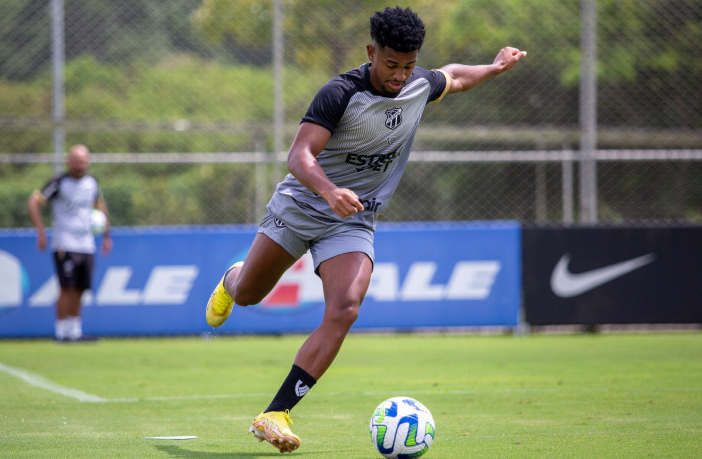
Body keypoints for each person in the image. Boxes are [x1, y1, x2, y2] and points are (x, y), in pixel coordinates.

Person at [205, 6, 526, 453]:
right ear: (371, 51)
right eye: (391, 64)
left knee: (346, 308)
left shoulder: (418, 84)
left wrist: (493, 67)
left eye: (409, 65)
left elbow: (455, 76)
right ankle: (230, 279)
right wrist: (330, 190)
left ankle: (276, 412)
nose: (400, 75)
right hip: (301, 206)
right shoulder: (340, 93)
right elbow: (299, 156)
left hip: (353, 219)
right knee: (248, 295)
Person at [27, 144, 112, 342]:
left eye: (83, 161)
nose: (80, 165)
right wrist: (40, 231)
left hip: (86, 244)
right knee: (66, 287)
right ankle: (61, 331)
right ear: (68, 161)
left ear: (88, 162)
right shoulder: (59, 183)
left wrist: (107, 235)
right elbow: (33, 202)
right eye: (76, 161)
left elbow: (100, 208)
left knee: (80, 288)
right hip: (65, 243)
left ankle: (74, 331)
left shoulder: (92, 183)